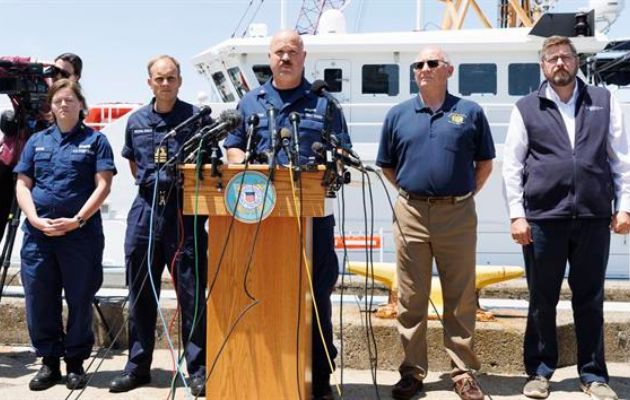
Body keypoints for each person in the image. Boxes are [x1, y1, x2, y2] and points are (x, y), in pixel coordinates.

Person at [223, 29, 350, 400]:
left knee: (317, 295)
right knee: (264, 290)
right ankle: (268, 373)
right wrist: (244, 163)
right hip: (261, 219)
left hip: (314, 218)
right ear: (270, 57)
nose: (285, 58)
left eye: (291, 51)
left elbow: (342, 152)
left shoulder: (324, 104)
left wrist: (329, 163)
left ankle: (321, 376)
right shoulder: (251, 102)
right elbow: (232, 149)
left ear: (303, 56)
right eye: (279, 52)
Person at [502, 35, 629, 400]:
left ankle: (593, 375)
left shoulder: (604, 101)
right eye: (552, 58)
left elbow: (621, 159)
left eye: (565, 57)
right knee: (542, 298)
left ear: (576, 62)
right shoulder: (525, 107)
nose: (559, 63)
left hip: (592, 216)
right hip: (542, 218)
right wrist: (516, 215)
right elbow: (512, 166)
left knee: (590, 297)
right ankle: (540, 372)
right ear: (542, 66)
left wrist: (624, 207)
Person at [376, 46, 495, 400]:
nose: (424, 68)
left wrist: (460, 195)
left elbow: (485, 162)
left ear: (448, 70)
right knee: (411, 298)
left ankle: (462, 372)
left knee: (460, 297)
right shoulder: (398, 115)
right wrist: (415, 194)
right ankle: (412, 372)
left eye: (432, 63)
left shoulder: (470, 112)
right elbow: (387, 166)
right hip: (411, 213)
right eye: (419, 64)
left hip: (457, 214)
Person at [108, 55, 207, 396]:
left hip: (184, 212)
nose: (165, 84)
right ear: (149, 82)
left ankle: (198, 370)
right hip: (147, 209)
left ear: (180, 81)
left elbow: (210, 164)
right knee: (140, 293)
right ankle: (137, 368)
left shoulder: (196, 119)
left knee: (191, 295)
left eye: (171, 78)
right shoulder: (135, 121)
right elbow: (135, 165)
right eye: (159, 79)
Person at [14, 78, 116, 391]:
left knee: (79, 298)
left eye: (69, 100)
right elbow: (22, 184)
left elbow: (103, 185)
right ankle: (48, 363)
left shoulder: (96, 141)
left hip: (79, 235)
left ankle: (75, 363)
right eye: (58, 101)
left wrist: (77, 220)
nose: (63, 105)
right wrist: (34, 218)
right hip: (39, 235)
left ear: (80, 105)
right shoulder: (36, 141)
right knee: (39, 298)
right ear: (51, 106)